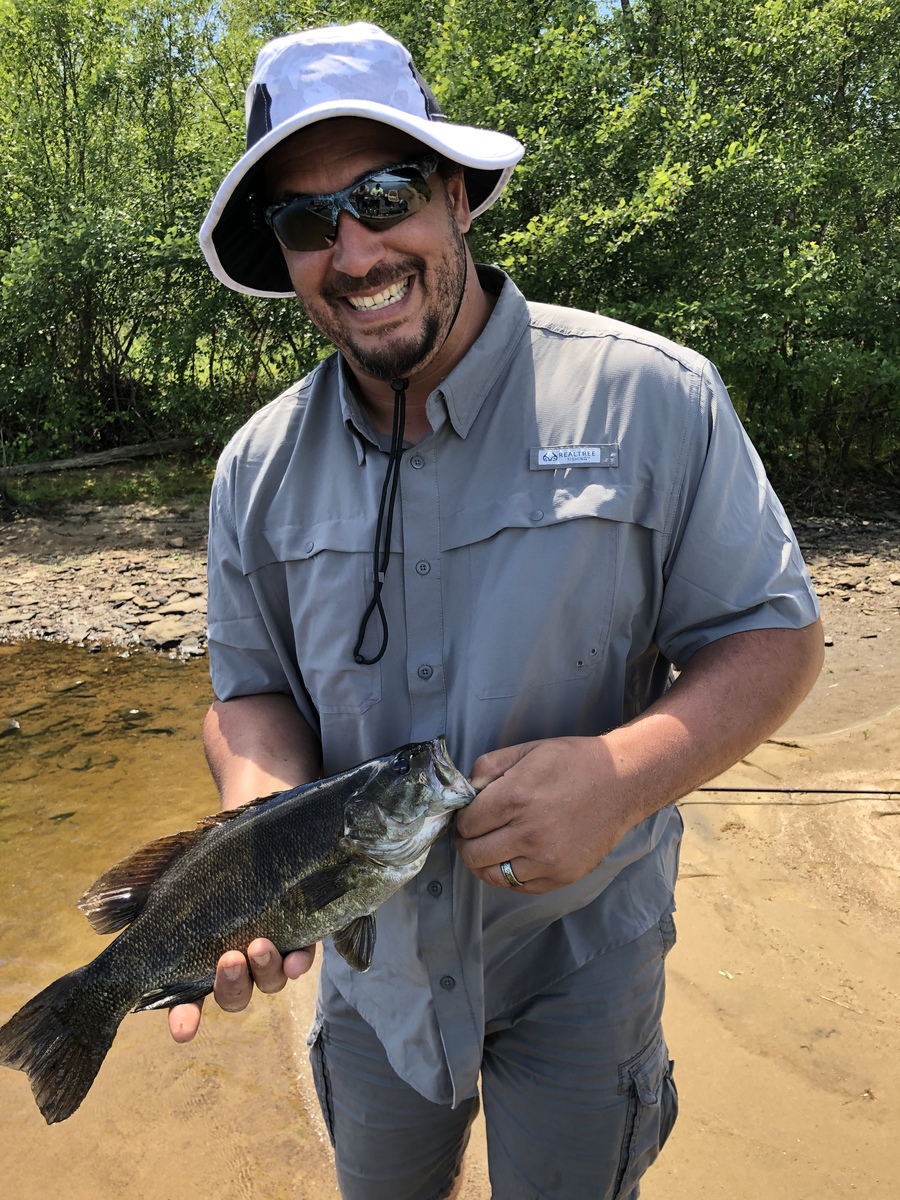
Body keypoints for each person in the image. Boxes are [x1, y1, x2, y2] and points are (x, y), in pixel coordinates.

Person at [180, 21, 823, 1200]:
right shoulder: (252, 470)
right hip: (369, 984)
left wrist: (622, 778)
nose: (357, 248)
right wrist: (259, 823)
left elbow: (776, 634)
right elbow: (250, 693)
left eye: (385, 193)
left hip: (585, 961)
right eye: (308, 219)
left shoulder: (653, 396)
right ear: (283, 254)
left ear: (460, 196)